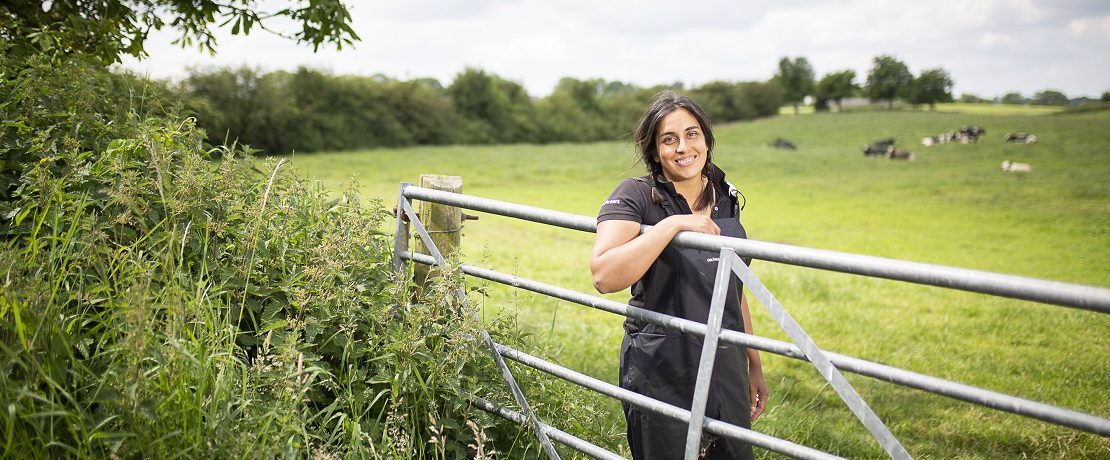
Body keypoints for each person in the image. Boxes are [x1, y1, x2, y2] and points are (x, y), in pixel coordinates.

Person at [590, 91, 768, 459]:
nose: (682, 147)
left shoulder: (725, 195)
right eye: (668, 139)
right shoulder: (635, 195)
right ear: (654, 151)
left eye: (692, 134)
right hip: (662, 365)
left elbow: (730, 287)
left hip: (726, 361)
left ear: (706, 140)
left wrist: (753, 362)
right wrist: (671, 225)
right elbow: (604, 275)